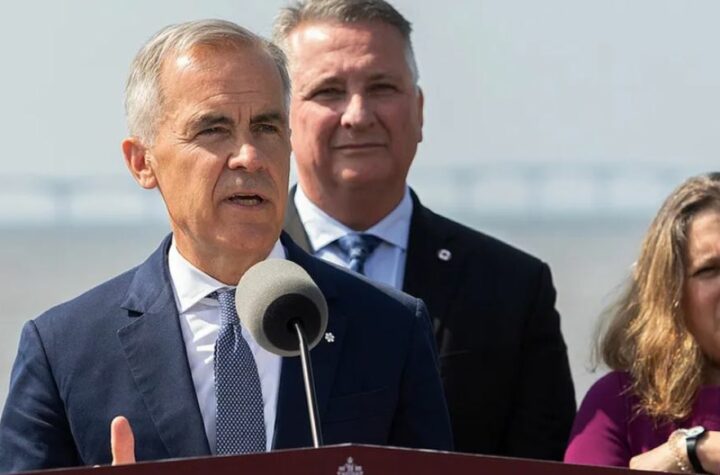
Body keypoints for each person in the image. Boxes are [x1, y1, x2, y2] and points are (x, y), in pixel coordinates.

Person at [0, 19, 452, 472]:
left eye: (266, 127)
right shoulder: (62, 349)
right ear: (142, 162)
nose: (249, 157)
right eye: (213, 130)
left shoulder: (391, 327)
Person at [274, 0, 576, 459]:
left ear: (419, 110)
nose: (358, 115)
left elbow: (544, 461)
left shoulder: (512, 289)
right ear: (283, 120)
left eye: (382, 87)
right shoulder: (236, 275)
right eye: (328, 91)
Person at [565, 172, 720, 472]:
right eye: (709, 270)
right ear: (669, 292)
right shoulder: (618, 404)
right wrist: (693, 450)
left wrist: (689, 452)